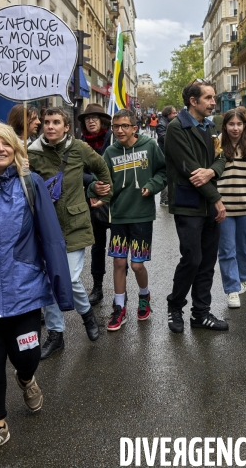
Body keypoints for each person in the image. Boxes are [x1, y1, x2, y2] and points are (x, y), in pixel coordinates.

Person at [0, 121, 73, 462]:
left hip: (24, 294)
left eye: (6, 144)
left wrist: (63, 292)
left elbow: (51, 239)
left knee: (27, 356)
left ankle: (26, 378)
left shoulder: (29, 184)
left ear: (16, 148)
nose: (0, 149)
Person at [28, 107, 112, 359]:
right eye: (46, 122)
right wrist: (20, 168)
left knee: (70, 279)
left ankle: (86, 314)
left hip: (75, 224)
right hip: (45, 226)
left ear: (66, 127)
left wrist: (101, 194)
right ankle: (56, 334)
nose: (50, 126)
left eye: (56, 122)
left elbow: (102, 168)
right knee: (52, 280)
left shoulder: (79, 148)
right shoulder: (31, 153)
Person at [90, 109, 166, 331]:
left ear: (135, 127)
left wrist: (152, 186)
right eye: (116, 126)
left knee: (136, 265)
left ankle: (144, 296)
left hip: (142, 215)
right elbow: (99, 180)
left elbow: (163, 172)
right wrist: (96, 191)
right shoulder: (110, 152)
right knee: (119, 262)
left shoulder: (149, 147)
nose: (120, 130)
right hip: (118, 216)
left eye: (124, 126)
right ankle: (119, 307)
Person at [165, 79, 228, 333]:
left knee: (207, 263)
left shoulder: (211, 126)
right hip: (189, 204)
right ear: (193, 101)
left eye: (213, 98)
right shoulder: (176, 127)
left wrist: (213, 171)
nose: (214, 102)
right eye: (209, 98)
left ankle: (200, 313)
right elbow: (191, 171)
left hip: (208, 203)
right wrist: (217, 199)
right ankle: (175, 307)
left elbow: (222, 158)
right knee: (192, 259)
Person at [217, 109, 246, 308]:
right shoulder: (217, 143)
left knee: (245, 247)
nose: (235, 128)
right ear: (225, 126)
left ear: (245, 125)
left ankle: (244, 277)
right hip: (224, 208)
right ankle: (232, 289)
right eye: (231, 124)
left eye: (239, 124)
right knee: (227, 249)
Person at [79, 103, 114, 306]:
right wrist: (93, 183)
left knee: (119, 247)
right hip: (92, 200)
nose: (90, 120)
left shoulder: (112, 139)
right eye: (87, 118)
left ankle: (121, 289)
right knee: (97, 245)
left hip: (115, 200)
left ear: (103, 120)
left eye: (95, 117)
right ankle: (97, 287)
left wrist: (105, 183)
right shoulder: (81, 142)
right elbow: (76, 171)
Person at [156, 105, 177, 207]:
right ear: (168, 114)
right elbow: (163, 137)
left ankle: (169, 197)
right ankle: (164, 199)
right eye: (174, 113)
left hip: (170, 153)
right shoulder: (162, 124)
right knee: (167, 176)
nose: (175, 114)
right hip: (165, 154)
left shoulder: (168, 122)